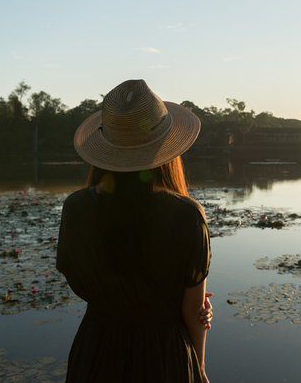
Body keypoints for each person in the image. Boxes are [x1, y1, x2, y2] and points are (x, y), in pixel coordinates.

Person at [57, 79, 212, 382]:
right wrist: (199, 368)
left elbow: (81, 280)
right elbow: (194, 310)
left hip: (96, 352)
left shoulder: (75, 208)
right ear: (167, 149)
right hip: (164, 355)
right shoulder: (187, 214)